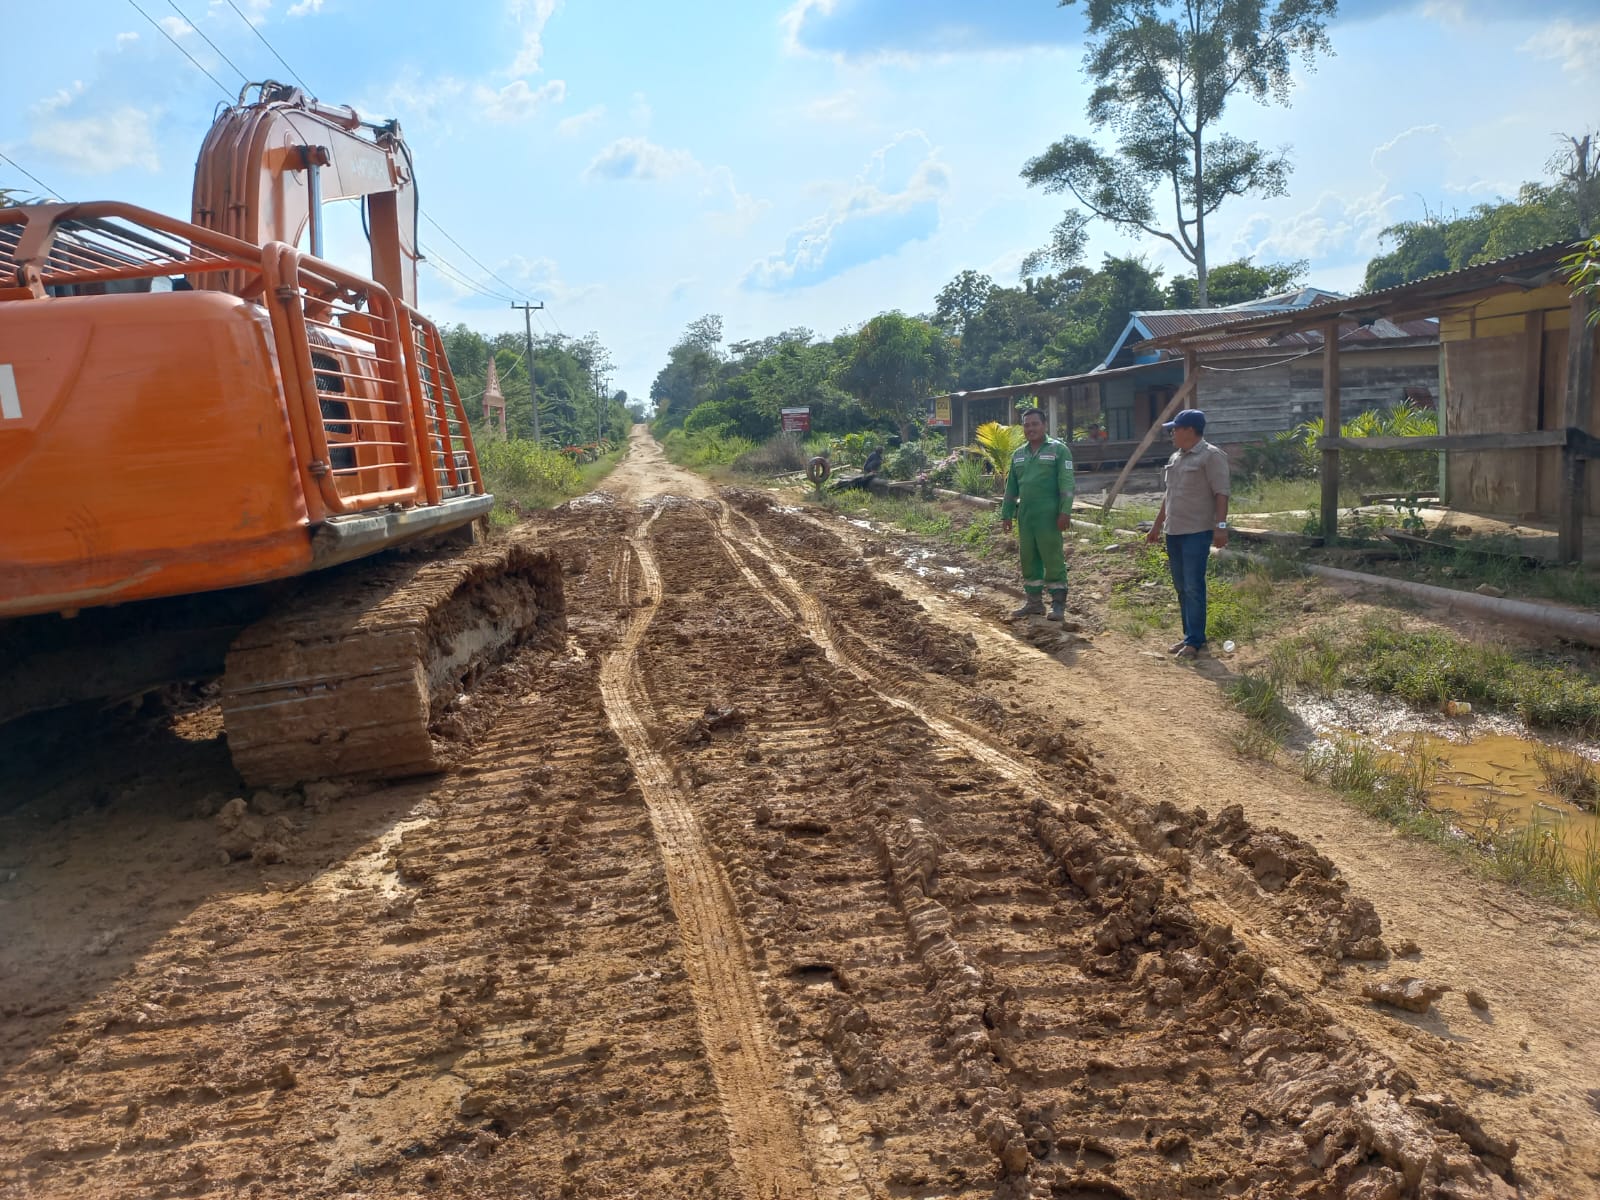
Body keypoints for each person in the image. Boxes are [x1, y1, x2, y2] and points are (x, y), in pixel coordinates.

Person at [1144, 408, 1230, 659]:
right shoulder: (1176, 457)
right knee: (1181, 586)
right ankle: (1188, 636)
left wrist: (1221, 527)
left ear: (1189, 430)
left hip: (1197, 530)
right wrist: (1157, 525)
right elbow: (1169, 496)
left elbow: (1221, 493)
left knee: (1193, 585)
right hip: (1175, 531)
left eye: (1175, 429)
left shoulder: (1211, 456)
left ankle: (1195, 640)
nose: (1171, 434)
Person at [1000, 407, 1075, 621]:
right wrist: (1006, 514)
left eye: (1034, 424)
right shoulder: (1019, 455)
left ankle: (1058, 604)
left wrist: (1065, 511)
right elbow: (1011, 489)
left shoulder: (1059, 450)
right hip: (1026, 515)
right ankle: (1034, 603)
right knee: (1028, 558)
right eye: (1026, 425)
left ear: (1044, 425)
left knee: (1052, 557)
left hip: (1049, 514)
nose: (1030, 428)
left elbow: (1067, 484)